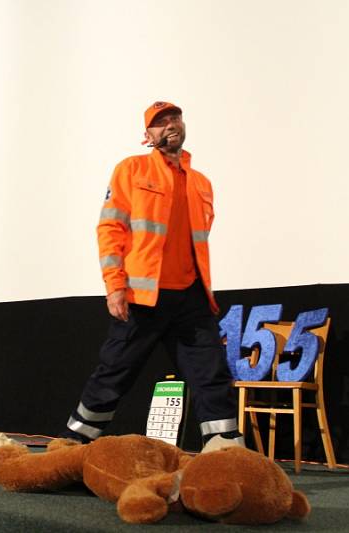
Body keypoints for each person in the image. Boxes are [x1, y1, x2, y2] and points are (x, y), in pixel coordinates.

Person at [61, 101, 243, 447]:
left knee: (211, 375)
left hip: (191, 296)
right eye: (160, 122)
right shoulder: (131, 170)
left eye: (174, 118)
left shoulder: (201, 183)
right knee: (114, 372)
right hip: (144, 296)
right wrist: (114, 285)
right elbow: (110, 229)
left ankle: (225, 451)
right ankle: (73, 444)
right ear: (147, 136)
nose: (170, 124)